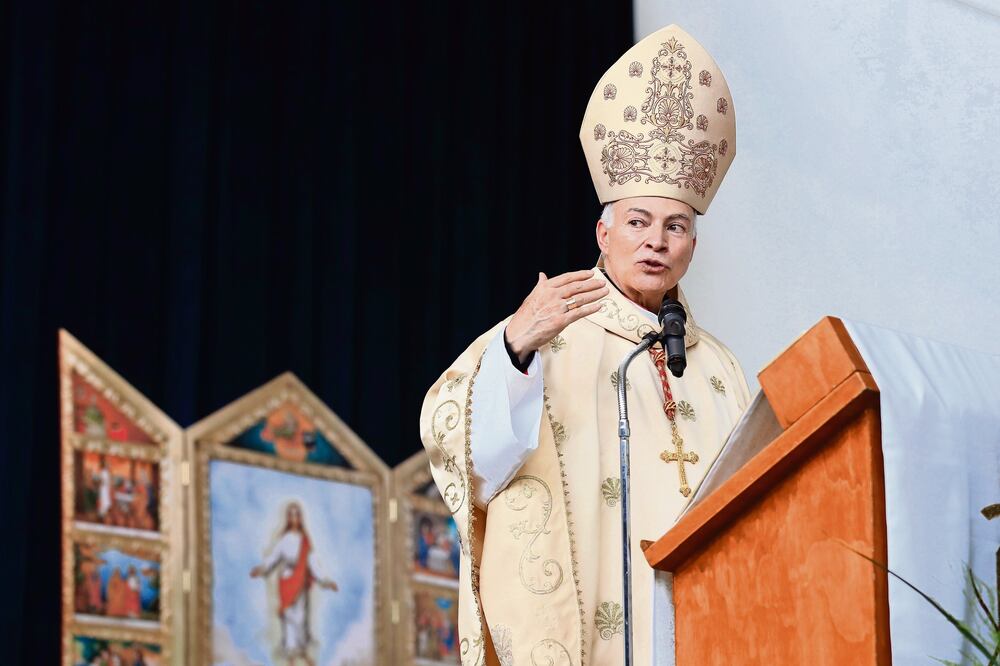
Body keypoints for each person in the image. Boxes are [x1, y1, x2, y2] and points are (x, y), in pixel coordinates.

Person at [419, 24, 751, 666]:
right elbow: (472, 461)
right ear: (603, 232)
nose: (655, 241)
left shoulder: (719, 369)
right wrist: (515, 350)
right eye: (637, 222)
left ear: (693, 247)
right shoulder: (550, 330)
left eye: (674, 226)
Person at [249, 502, 338, 666]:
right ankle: (290, 658)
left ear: (300, 518)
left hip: (301, 582)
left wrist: (326, 581)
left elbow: (313, 563)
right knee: (289, 619)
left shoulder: (305, 541)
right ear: (288, 518)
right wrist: (261, 569)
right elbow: (273, 557)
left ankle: (303, 653)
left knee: (301, 619)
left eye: (297, 514)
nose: (294, 518)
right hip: (287, 580)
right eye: (291, 514)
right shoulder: (284, 539)